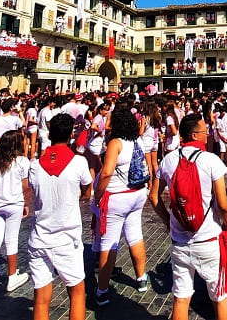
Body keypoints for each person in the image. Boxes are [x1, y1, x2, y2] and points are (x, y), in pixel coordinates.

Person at [149, 113, 227, 320]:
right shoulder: (211, 160)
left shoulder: (169, 159)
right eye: (205, 131)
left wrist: (167, 221)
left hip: (180, 240)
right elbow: (223, 204)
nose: (208, 134)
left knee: (181, 299)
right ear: (195, 135)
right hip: (208, 238)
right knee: (219, 298)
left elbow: (153, 196)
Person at [28, 112, 93, 320]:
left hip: (39, 236)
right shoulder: (79, 162)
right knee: (76, 293)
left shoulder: (35, 166)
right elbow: (86, 190)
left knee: (40, 297)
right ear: (71, 134)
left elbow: (34, 192)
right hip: (66, 237)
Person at [92, 107, 150, 305]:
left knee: (109, 242)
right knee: (135, 235)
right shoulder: (137, 141)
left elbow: (107, 173)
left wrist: (98, 194)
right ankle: (141, 278)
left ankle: (102, 289)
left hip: (117, 196)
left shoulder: (115, 144)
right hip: (137, 194)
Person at [0, 130, 31, 295]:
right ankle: (12, 276)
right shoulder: (22, 162)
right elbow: (25, 187)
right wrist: (27, 203)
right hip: (14, 203)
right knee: (11, 240)